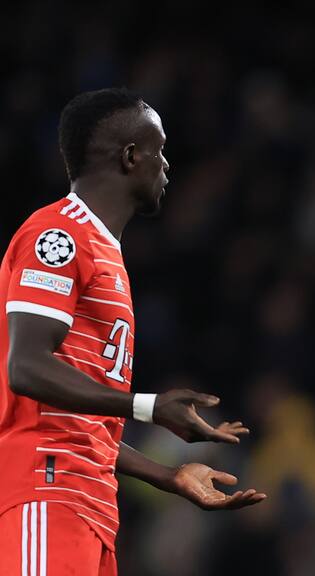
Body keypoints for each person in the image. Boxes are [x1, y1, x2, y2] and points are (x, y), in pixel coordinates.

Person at [0, 88, 265, 576]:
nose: (166, 165)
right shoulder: (56, 236)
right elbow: (26, 366)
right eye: (159, 150)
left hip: (92, 507)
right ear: (129, 156)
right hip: (47, 490)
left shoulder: (108, 253)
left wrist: (169, 476)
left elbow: (80, 417)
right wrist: (149, 407)